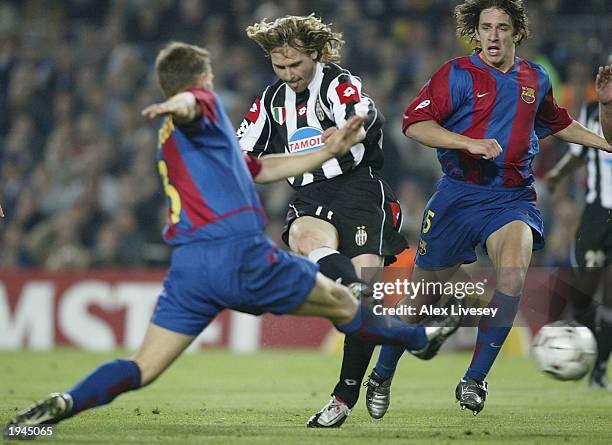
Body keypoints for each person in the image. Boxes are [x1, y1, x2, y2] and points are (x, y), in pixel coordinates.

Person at [4, 42, 460, 437]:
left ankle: (59, 405)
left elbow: (261, 168)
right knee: (347, 306)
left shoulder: (179, 140)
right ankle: (421, 339)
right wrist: (184, 101)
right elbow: (194, 104)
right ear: (201, 78)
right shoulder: (198, 105)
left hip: (191, 270)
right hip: (243, 258)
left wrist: (325, 152)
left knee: (141, 366)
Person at [365, 0, 612, 417]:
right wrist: (468, 143)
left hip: (511, 196)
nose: (493, 35)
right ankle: (382, 374)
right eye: (485, 27)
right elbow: (415, 124)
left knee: (514, 272)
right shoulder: (456, 73)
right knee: (421, 300)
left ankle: (474, 379)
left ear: (516, 32)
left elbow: (559, 123)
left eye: (501, 27)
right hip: (459, 195)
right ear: (475, 32)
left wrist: (604, 122)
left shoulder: (536, 77)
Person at [238, 14, 428, 428]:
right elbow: (242, 149)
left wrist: (347, 134)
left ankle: (346, 394)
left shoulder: (339, 83)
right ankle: (353, 290)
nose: (288, 75)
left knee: (367, 303)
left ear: (315, 54)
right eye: (279, 67)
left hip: (360, 191)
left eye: (295, 65)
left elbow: (362, 115)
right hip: (311, 195)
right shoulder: (271, 102)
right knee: (304, 235)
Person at [544, 59, 612, 389]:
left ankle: (599, 368)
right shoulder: (588, 112)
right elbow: (578, 152)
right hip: (597, 214)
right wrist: (557, 174)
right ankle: (590, 349)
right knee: (584, 294)